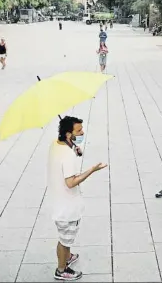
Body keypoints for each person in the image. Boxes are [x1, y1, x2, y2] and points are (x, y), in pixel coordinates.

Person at [48, 116, 108, 281]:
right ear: (68, 134)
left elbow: (66, 150)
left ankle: (67, 257)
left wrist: (74, 147)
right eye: (79, 130)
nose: (82, 132)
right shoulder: (67, 156)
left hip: (58, 201)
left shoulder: (56, 144)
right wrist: (92, 170)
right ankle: (61, 270)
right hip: (67, 207)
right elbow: (71, 182)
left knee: (67, 236)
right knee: (64, 239)